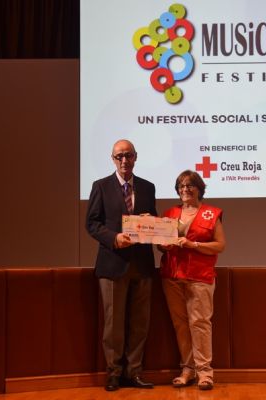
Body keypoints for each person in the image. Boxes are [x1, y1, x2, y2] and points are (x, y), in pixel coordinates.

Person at [86, 139, 157, 391]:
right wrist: (114, 238)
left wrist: (151, 222)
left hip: (143, 264)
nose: (124, 160)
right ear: (113, 159)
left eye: (128, 155)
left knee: (140, 323)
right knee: (113, 324)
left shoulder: (148, 187)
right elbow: (92, 224)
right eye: (119, 156)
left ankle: (134, 372)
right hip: (113, 264)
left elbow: (152, 222)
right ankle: (114, 373)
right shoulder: (101, 186)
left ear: (136, 157)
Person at [158, 170, 226, 391]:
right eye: (181, 186)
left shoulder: (211, 213)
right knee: (180, 325)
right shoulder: (170, 213)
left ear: (199, 188)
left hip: (200, 277)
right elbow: (160, 245)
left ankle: (204, 372)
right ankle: (187, 370)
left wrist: (193, 245)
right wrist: (163, 245)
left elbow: (220, 245)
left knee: (200, 324)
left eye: (189, 185)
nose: (185, 189)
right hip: (172, 276)